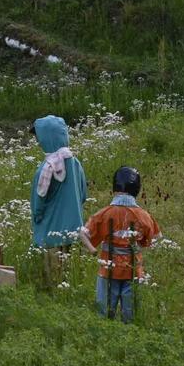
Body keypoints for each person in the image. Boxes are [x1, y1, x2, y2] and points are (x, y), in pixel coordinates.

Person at [79, 167, 161, 323]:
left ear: (114, 188)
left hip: (108, 270)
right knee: (131, 315)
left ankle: (104, 336)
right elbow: (157, 237)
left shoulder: (105, 213)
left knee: (104, 312)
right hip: (134, 271)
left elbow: (83, 233)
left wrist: (91, 249)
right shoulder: (143, 215)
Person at [29, 115, 88, 283]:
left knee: (53, 275)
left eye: (39, 137)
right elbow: (83, 194)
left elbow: (38, 200)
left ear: (47, 138)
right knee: (68, 271)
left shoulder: (48, 167)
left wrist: (37, 217)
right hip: (72, 229)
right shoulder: (75, 163)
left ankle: (53, 301)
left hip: (50, 231)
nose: (38, 142)